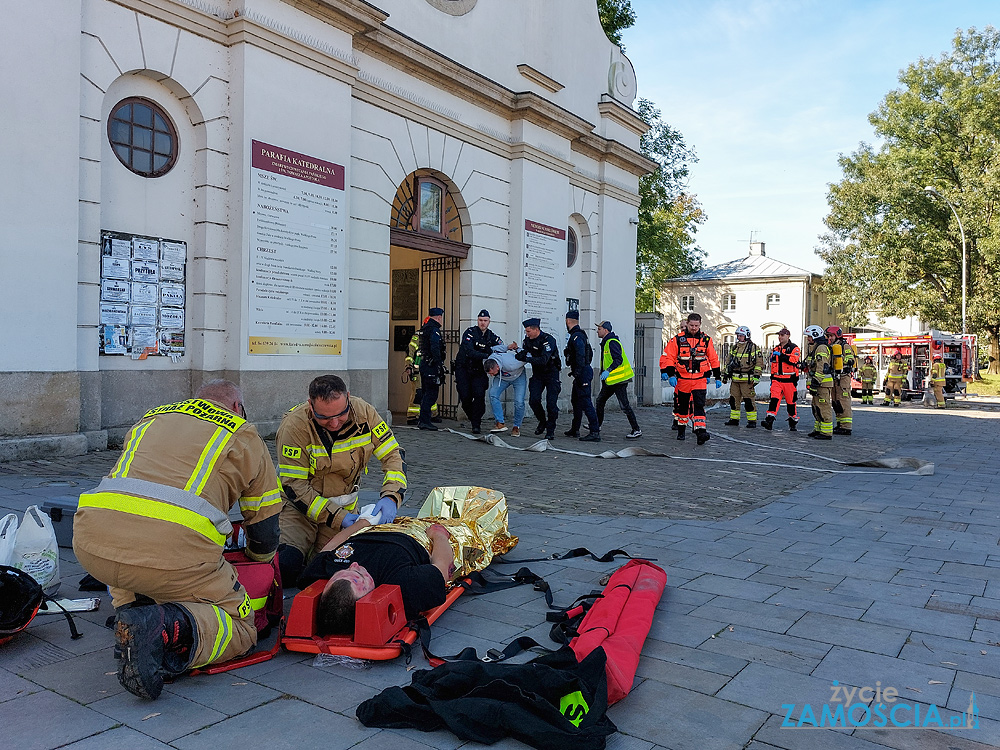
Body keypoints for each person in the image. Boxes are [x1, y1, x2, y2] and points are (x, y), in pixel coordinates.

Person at [73, 380, 282, 699]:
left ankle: (133, 610)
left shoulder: (152, 417)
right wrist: (259, 559)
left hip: (93, 541)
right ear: (237, 408)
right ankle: (163, 630)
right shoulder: (242, 433)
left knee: (131, 550)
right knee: (242, 628)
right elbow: (264, 523)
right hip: (171, 552)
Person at [298, 488, 517, 634]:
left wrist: (359, 525)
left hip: (379, 528)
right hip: (419, 535)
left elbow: (327, 550)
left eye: (343, 571)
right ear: (369, 597)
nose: (354, 565)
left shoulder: (324, 572)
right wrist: (439, 536)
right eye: (359, 577)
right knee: (477, 528)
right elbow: (443, 569)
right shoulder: (403, 582)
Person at [276, 374, 406, 588]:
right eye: (325, 417)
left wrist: (391, 496)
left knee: (327, 570)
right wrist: (339, 517)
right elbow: (295, 487)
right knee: (287, 567)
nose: (335, 423)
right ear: (311, 405)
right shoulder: (295, 426)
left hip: (345, 510)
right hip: (299, 510)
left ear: (348, 397)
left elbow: (393, 454)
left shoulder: (364, 413)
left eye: (341, 414)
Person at [661, 313, 721, 445]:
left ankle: (701, 432)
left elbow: (713, 359)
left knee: (699, 406)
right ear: (687, 324)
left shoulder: (706, 340)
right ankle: (681, 430)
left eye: (696, 325)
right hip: (683, 379)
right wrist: (670, 374)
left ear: (700, 325)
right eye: (692, 325)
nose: (694, 328)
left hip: (699, 379)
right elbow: (669, 358)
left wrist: (717, 376)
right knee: (682, 407)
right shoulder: (677, 339)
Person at [513, 317, 562, 440]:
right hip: (538, 375)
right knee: (533, 400)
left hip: (551, 373)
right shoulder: (528, 341)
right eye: (526, 332)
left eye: (528, 331)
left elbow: (544, 360)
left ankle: (550, 430)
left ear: (536, 330)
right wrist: (519, 355)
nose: (527, 334)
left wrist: (527, 359)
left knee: (551, 404)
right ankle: (542, 421)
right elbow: (525, 352)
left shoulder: (548, 340)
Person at [454, 310, 502, 434]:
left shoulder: (491, 336)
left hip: (478, 370)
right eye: (481, 320)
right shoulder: (470, 332)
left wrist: (509, 348)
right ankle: (474, 419)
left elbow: (500, 347)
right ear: (477, 321)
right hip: (463, 369)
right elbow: (469, 351)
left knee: (479, 396)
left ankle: (476, 423)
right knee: (465, 397)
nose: (483, 323)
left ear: (489, 321)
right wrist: (486, 354)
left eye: (485, 321)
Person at [595, 320, 642, 439]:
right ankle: (596, 425)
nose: (597, 331)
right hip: (611, 381)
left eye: (599, 329)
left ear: (606, 330)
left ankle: (636, 429)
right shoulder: (606, 342)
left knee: (624, 405)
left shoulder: (611, 342)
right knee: (600, 401)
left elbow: (618, 359)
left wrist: (608, 370)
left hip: (619, 381)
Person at [563, 311, 600, 441]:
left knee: (585, 402)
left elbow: (581, 355)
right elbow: (589, 354)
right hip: (581, 372)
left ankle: (595, 431)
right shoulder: (580, 335)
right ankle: (575, 429)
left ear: (568, 321)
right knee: (576, 401)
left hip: (582, 373)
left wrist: (578, 372)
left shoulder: (577, 337)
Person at [723, 325, 763, 428]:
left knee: (749, 401)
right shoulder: (735, 347)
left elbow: (759, 363)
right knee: (733, 400)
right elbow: (728, 361)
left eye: (741, 335)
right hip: (735, 379)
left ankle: (752, 421)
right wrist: (725, 374)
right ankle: (734, 419)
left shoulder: (753, 347)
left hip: (747, 380)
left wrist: (756, 376)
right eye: (737, 335)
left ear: (746, 336)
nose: (738, 338)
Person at [762, 327, 800, 431]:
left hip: (789, 381)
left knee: (791, 403)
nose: (780, 337)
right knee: (774, 400)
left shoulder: (794, 348)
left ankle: (793, 421)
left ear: (788, 336)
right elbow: (773, 365)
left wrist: (782, 355)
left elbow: (793, 360)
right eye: (779, 335)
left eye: (782, 335)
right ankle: (769, 420)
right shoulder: (776, 348)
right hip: (777, 380)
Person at [485, 344, 527, 437]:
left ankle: (516, 426)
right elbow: (493, 348)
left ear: (497, 367)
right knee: (493, 394)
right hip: (502, 378)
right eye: (489, 374)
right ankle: (500, 423)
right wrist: (507, 347)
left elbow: (526, 358)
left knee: (519, 402)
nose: (491, 375)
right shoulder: (490, 359)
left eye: (492, 373)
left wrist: (518, 349)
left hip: (518, 376)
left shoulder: (512, 364)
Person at [803, 325, 835, 440]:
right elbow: (814, 364)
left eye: (809, 336)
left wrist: (816, 382)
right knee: (816, 407)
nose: (808, 339)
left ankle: (826, 432)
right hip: (818, 383)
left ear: (815, 335)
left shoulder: (821, 348)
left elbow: (822, 367)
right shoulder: (816, 347)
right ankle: (818, 429)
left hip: (822, 383)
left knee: (823, 406)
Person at [418, 307, 448, 429]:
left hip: (425, 364)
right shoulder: (434, 330)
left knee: (426, 392)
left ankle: (424, 419)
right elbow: (435, 347)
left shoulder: (425, 328)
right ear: (439, 317)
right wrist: (439, 363)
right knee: (431, 393)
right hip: (431, 366)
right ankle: (424, 421)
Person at [404, 323, 438, 425]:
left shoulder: (433, 335)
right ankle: (412, 416)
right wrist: (408, 366)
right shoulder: (417, 336)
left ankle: (433, 414)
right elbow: (410, 352)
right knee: (417, 392)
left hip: (429, 368)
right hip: (417, 369)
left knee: (430, 391)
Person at [826, 326, 857, 435]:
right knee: (836, 401)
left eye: (831, 335)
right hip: (835, 377)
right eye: (828, 336)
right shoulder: (831, 346)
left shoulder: (845, 346)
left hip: (843, 377)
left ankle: (846, 426)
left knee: (843, 400)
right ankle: (840, 424)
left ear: (837, 335)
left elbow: (850, 359)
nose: (830, 338)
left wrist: (841, 359)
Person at [660, 323, 686, 431]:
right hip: (678, 375)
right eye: (681, 327)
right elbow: (666, 356)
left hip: (693, 376)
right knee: (678, 399)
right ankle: (677, 421)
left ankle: (695, 424)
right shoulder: (674, 341)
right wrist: (664, 370)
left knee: (694, 401)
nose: (683, 329)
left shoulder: (698, 340)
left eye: (685, 327)